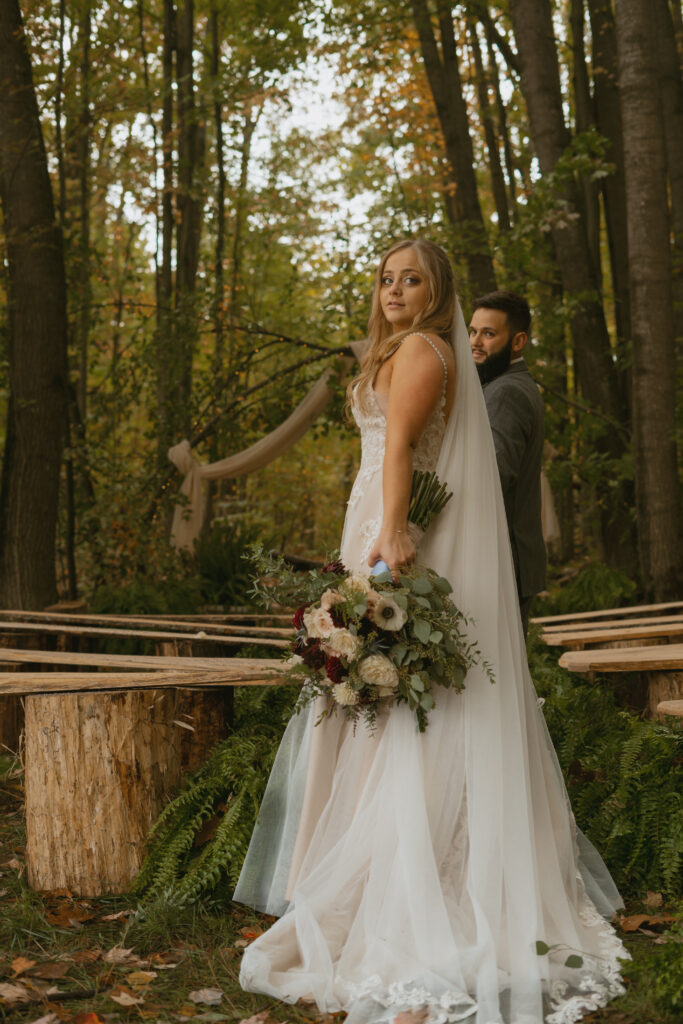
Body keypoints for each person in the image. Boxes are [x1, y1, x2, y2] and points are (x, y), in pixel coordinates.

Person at [234, 240, 627, 1024]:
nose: (393, 290)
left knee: (402, 698)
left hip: (390, 531)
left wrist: (393, 533)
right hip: (371, 522)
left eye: (411, 280)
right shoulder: (401, 350)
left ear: (437, 293)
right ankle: (356, 868)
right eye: (385, 279)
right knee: (378, 695)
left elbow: (404, 447)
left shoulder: (418, 351)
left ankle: (409, 882)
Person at [469, 291, 546, 636]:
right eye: (472, 331)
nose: (475, 342)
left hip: (501, 561)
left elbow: (493, 478)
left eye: (488, 333)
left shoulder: (505, 393)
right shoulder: (506, 385)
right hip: (507, 559)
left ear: (518, 341)